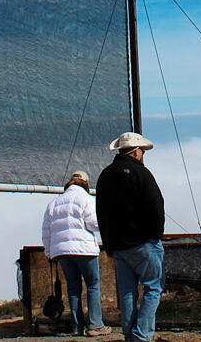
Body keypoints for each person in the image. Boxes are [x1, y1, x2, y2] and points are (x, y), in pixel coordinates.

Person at [96, 132, 165, 342]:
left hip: (118, 245)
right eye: (142, 151)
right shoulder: (141, 173)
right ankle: (142, 334)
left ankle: (129, 333)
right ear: (136, 152)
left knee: (127, 291)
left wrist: (108, 243)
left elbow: (100, 211)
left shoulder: (105, 175)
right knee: (153, 287)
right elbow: (156, 205)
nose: (142, 155)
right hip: (144, 243)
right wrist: (155, 234)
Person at [41, 171, 112, 337]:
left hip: (62, 252)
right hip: (84, 249)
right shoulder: (86, 199)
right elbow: (93, 223)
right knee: (93, 286)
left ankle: (77, 327)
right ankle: (95, 325)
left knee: (73, 288)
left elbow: (46, 232)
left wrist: (49, 252)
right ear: (85, 184)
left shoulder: (53, 203)